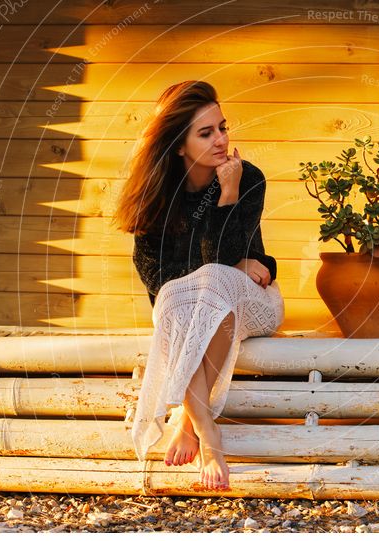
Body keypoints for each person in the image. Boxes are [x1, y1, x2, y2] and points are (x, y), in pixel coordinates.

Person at [112, 81, 284, 491]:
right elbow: (165, 287)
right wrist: (235, 263)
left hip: (254, 304)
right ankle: (208, 432)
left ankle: (191, 422)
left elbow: (215, 270)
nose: (222, 140)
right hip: (191, 310)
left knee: (205, 283)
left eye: (222, 127)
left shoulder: (248, 178)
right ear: (178, 146)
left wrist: (227, 193)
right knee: (181, 296)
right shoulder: (154, 201)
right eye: (206, 133)